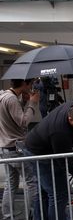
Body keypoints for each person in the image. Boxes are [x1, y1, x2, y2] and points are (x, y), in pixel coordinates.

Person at [24, 102, 73, 220]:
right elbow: (67, 163)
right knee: (59, 194)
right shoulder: (59, 132)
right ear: (70, 119)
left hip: (42, 148)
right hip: (41, 154)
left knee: (45, 192)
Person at [0, 79, 39, 219]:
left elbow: (12, 118)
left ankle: (7, 215)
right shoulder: (11, 99)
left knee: (11, 184)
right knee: (32, 181)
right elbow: (23, 122)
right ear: (24, 84)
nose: (32, 87)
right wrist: (33, 103)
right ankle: (35, 215)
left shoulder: (4, 96)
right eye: (30, 84)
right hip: (16, 148)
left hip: (5, 147)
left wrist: (23, 102)